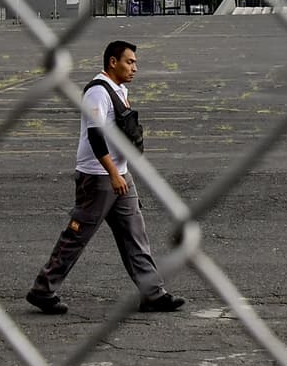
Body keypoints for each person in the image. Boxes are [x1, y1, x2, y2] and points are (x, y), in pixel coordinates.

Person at [26, 39, 185, 315]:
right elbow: (95, 135)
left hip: (120, 176)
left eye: (135, 62)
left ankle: (152, 293)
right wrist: (113, 173)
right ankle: (43, 290)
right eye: (129, 62)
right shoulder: (98, 92)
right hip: (99, 178)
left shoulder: (119, 90)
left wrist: (122, 170)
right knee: (77, 235)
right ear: (113, 62)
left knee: (135, 234)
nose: (134, 68)